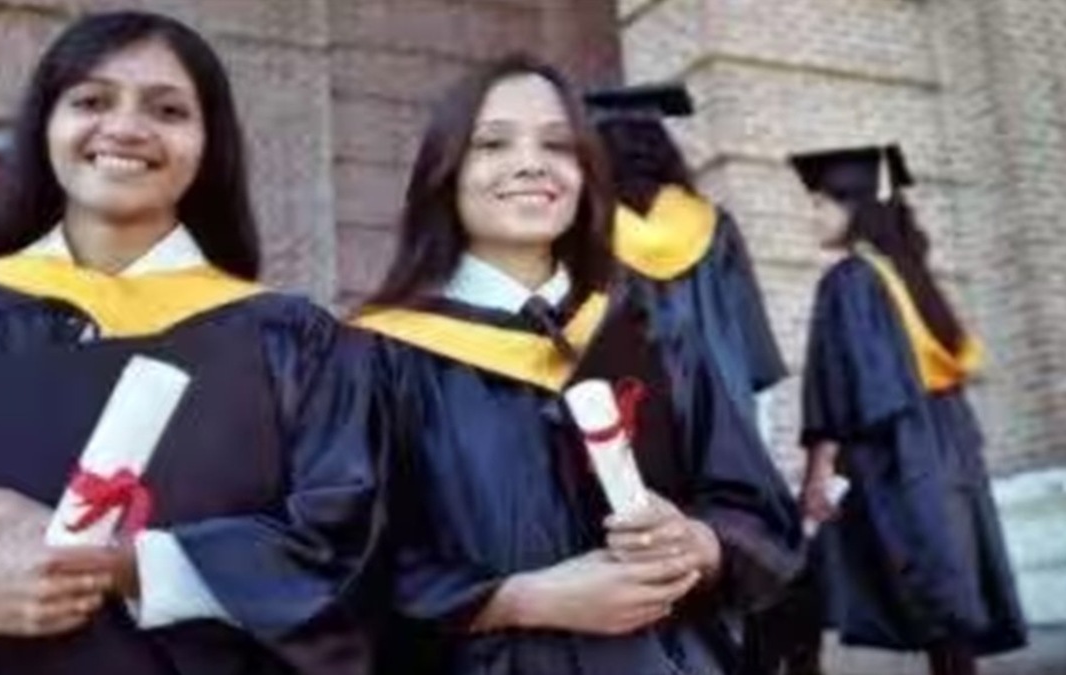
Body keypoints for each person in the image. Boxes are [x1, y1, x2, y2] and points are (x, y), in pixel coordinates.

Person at [0, 11, 380, 675]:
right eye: (91, 101)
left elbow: (350, 556)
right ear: (45, 125)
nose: (126, 127)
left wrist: (121, 561)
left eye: (168, 110)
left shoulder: (293, 346)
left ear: (209, 143)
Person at [351, 53, 802, 675]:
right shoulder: (374, 358)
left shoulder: (657, 336)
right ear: (444, 171)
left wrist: (698, 543)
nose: (532, 162)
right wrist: (519, 600)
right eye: (493, 143)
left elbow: (758, 513)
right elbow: (337, 560)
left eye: (558, 144)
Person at [785, 144, 1027, 675]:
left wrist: (819, 470)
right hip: (945, 445)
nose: (812, 217)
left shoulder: (850, 280)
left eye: (821, 204)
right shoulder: (910, 278)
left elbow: (840, 383)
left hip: (890, 453)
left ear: (855, 206)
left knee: (808, 576)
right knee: (945, 580)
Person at [586, 83, 787, 428]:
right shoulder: (713, 225)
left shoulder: (587, 229)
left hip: (627, 417)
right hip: (719, 419)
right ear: (663, 149)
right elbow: (752, 343)